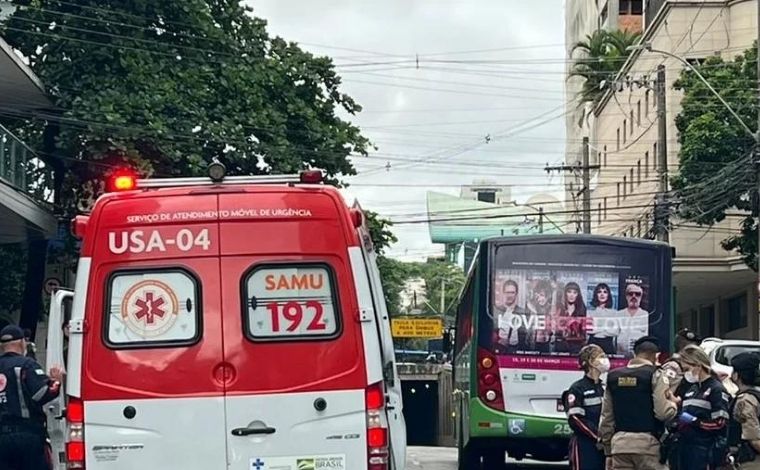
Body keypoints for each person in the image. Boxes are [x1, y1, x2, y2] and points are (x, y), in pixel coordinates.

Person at [599, 335, 678, 470]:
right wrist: (674, 404)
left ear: (635, 354)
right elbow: (662, 413)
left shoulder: (613, 376)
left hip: (620, 447)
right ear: (655, 356)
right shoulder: (656, 374)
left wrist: (608, 451)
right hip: (648, 446)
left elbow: (606, 418)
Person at [0, 325, 63, 470]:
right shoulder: (27, 365)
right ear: (22, 342)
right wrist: (56, 381)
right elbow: (42, 394)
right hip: (27, 436)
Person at [672, 345, 730, 470]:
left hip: (704, 449)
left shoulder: (716, 389)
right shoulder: (692, 389)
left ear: (698, 366)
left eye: (687, 368)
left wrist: (694, 421)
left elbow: (720, 423)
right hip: (685, 447)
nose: (686, 373)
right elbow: (682, 413)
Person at [562, 344, 607, 470]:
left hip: (604, 445)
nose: (605, 360)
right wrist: (597, 435)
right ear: (591, 362)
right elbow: (575, 419)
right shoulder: (577, 389)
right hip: (585, 444)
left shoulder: (604, 387)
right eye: (601, 357)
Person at [728, 351, 760, 469]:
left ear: (737, 375)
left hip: (751, 461)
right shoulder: (755, 395)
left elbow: (753, 438)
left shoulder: (745, 401)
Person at [660, 328, 702, 396]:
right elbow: (664, 393)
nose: (697, 349)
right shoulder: (672, 366)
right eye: (694, 346)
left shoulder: (692, 364)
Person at [495, 280, 531, 353]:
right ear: (503, 293)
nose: (510, 295)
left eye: (512, 292)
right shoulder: (496, 311)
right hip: (499, 350)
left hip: (518, 350)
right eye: (507, 292)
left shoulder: (523, 312)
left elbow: (528, 334)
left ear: (516, 294)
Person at [616, 283, 650, 357]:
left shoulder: (646, 315)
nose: (634, 296)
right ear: (626, 296)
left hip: (640, 356)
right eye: (630, 294)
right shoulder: (618, 314)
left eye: (637, 294)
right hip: (620, 356)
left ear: (641, 297)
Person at [587, 282, 620, 355]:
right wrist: (606, 328)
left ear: (608, 295)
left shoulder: (614, 313)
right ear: (596, 295)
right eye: (599, 292)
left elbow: (615, 332)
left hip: (608, 345)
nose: (602, 294)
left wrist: (597, 328)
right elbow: (589, 331)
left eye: (605, 292)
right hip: (593, 343)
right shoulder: (590, 312)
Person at [556, 282, 588, 355]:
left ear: (578, 295)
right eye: (569, 292)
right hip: (560, 346)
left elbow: (584, 333)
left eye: (575, 292)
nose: (571, 295)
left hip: (577, 347)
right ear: (565, 293)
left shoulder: (582, 310)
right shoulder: (559, 309)